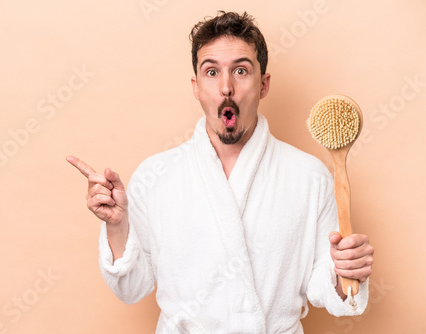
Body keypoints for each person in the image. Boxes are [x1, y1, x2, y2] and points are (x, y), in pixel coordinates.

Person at [66, 11, 374, 334]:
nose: (226, 87)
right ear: (196, 87)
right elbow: (131, 288)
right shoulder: (155, 176)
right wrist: (117, 227)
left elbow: (330, 291)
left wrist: (347, 272)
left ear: (264, 84)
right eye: (211, 72)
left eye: (241, 70)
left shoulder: (310, 177)